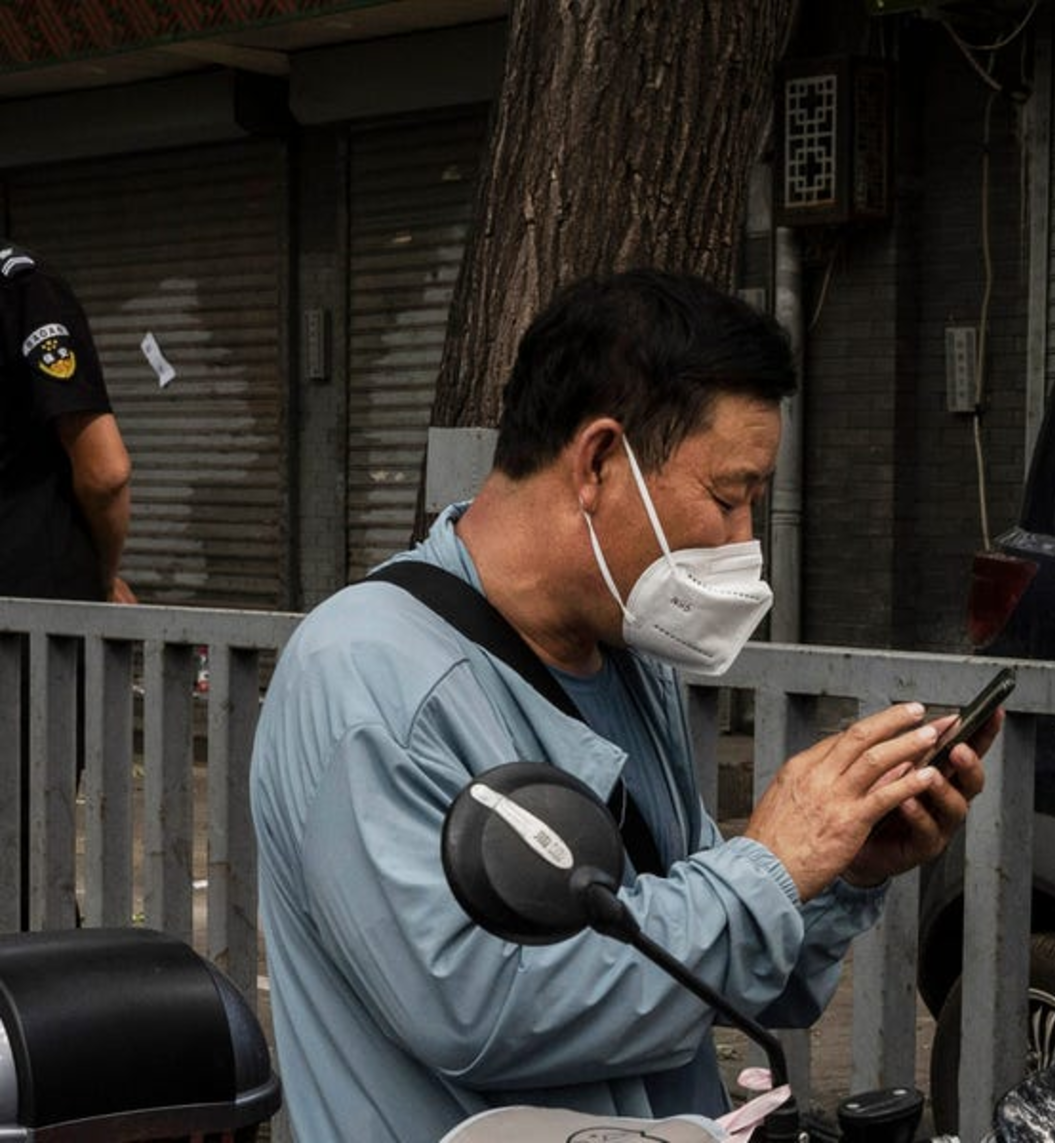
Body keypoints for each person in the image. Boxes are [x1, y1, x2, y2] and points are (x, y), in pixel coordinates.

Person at [251, 270, 991, 1142]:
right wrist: (767, 868)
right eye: (728, 498)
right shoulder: (368, 676)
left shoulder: (630, 662)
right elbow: (479, 1008)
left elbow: (702, 969)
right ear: (599, 461)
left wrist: (837, 872)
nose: (745, 543)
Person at [3, 240, 133, 929]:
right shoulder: (25, 290)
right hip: (34, 624)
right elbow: (104, 471)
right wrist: (104, 576)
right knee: (30, 845)